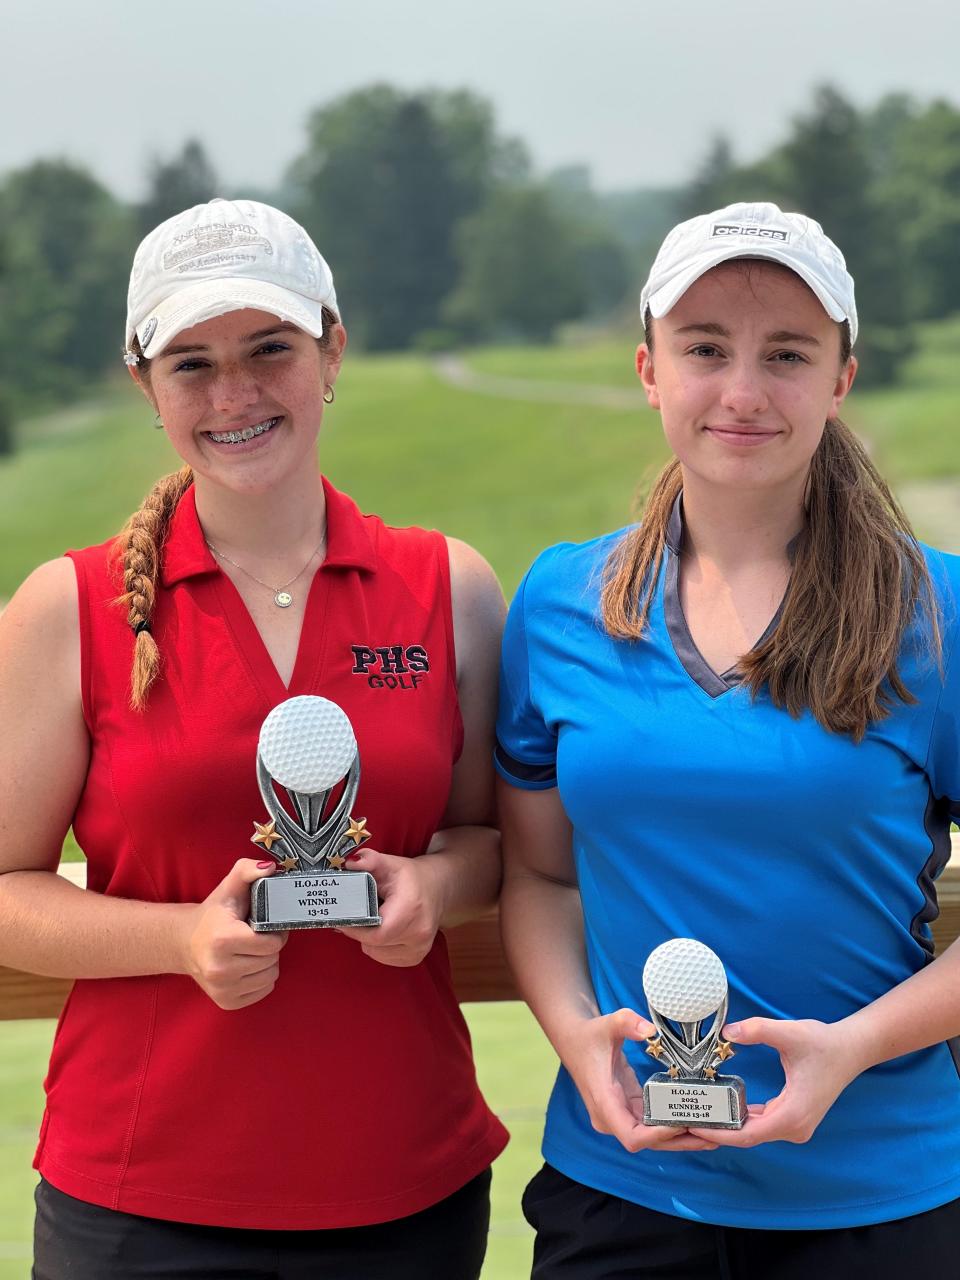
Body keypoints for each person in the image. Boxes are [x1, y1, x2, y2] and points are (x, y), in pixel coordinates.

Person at [0, 197, 508, 1279]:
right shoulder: (67, 605)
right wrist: (180, 938)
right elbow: (3, 886)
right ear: (144, 383)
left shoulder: (448, 586)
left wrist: (433, 886)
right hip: (139, 1195)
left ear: (331, 347)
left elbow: (488, 840)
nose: (234, 395)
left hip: (404, 1184)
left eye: (268, 349)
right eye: (192, 363)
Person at [495, 201, 960, 1278]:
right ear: (650, 368)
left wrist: (852, 1049)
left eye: (786, 354)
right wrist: (574, 1034)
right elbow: (540, 876)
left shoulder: (936, 613)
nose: (743, 391)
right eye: (705, 349)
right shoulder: (561, 601)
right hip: (621, 1190)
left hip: (882, 1201)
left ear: (841, 378)